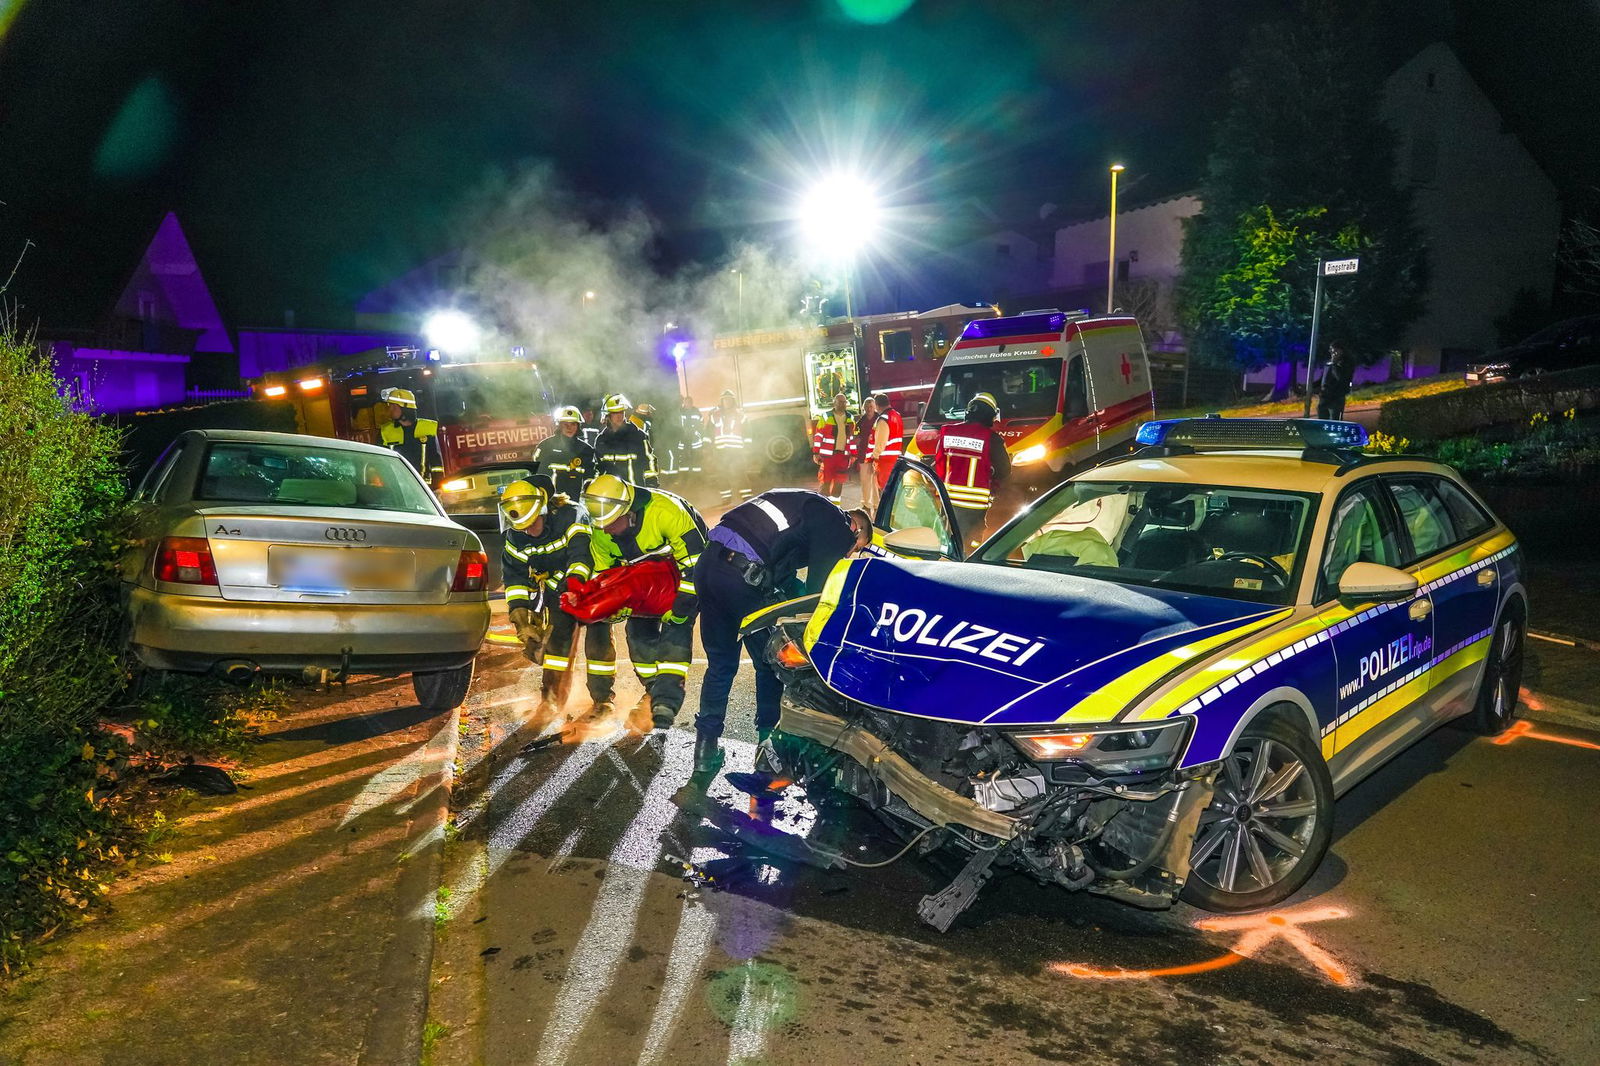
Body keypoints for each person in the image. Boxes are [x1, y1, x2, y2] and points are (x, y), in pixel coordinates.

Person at [693, 491, 873, 773]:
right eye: (856, 548)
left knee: (720, 666)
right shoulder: (839, 527)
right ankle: (768, 754)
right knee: (771, 665)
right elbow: (818, 595)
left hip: (708, 567)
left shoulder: (804, 505)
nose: (850, 553)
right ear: (856, 529)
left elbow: (784, 578)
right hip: (743, 580)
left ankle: (705, 751)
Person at [581, 474, 709, 735]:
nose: (606, 530)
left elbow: (697, 564)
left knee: (676, 629)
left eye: (611, 524)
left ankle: (667, 701)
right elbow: (609, 578)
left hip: (684, 574)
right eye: (601, 525)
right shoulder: (601, 530)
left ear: (629, 513)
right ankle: (652, 692)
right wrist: (617, 603)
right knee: (638, 636)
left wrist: (683, 605)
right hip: (645, 581)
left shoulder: (665, 512)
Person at [499, 477, 615, 724]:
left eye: (532, 523)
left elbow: (581, 557)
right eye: (522, 527)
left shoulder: (572, 515)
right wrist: (521, 618)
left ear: (544, 509)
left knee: (598, 645)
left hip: (592, 589)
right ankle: (551, 702)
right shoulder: (515, 536)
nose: (528, 531)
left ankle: (603, 700)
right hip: (558, 593)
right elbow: (515, 578)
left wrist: (573, 588)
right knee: (556, 649)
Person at [931, 392, 1012, 545]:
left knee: (945, 543)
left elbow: (938, 465)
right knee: (970, 547)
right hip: (974, 506)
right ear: (990, 415)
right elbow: (1005, 471)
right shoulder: (992, 438)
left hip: (947, 502)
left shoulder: (947, 433)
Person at [593, 393, 658, 486]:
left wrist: (651, 482)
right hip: (612, 493)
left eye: (621, 412)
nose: (619, 416)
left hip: (636, 491)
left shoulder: (638, 435)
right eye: (615, 413)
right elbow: (598, 468)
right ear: (607, 416)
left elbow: (649, 460)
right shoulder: (601, 440)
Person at [532, 405, 594, 500]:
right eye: (566, 424)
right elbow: (539, 475)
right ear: (560, 425)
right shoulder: (545, 446)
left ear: (578, 426)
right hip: (552, 501)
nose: (570, 428)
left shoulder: (586, 449)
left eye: (573, 424)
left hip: (578, 502)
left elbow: (590, 475)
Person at [377, 387, 440, 479]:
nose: (390, 409)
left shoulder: (428, 428)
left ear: (404, 408)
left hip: (423, 487)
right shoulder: (385, 431)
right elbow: (380, 463)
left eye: (393, 406)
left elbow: (436, 462)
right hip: (398, 487)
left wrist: (438, 486)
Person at [705, 389, 753, 503]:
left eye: (729, 400)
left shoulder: (740, 414)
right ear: (721, 401)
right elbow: (708, 432)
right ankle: (726, 497)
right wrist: (706, 447)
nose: (727, 402)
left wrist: (747, 447)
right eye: (725, 400)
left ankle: (746, 496)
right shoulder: (715, 415)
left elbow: (748, 431)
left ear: (733, 401)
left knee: (739, 472)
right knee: (721, 474)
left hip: (736, 450)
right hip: (720, 450)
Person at [811, 393, 855, 504]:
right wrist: (816, 453)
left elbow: (851, 438)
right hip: (828, 457)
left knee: (839, 483)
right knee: (825, 482)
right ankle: (824, 506)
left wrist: (854, 454)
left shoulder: (850, 418)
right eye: (840, 402)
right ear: (834, 403)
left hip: (843, 457)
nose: (843, 404)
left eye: (844, 402)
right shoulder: (826, 417)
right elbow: (818, 435)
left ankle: (836, 508)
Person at [870, 391, 905, 494]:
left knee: (885, 491)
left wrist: (874, 456)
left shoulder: (883, 419)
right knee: (896, 490)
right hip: (896, 458)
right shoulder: (896, 415)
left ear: (876, 405)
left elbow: (881, 442)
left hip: (885, 461)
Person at [852, 394, 881, 512]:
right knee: (865, 480)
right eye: (867, 406)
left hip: (876, 455)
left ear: (874, 407)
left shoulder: (880, 420)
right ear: (864, 408)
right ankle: (866, 503)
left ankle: (876, 503)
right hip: (863, 455)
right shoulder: (860, 422)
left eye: (871, 406)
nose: (869, 408)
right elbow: (855, 436)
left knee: (875, 482)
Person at [1318, 341, 1356, 420]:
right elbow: (1324, 378)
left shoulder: (1346, 363)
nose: (1332, 352)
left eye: (1334, 350)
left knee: (1334, 420)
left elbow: (1340, 378)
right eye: (1331, 350)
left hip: (1336, 397)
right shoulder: (1330, 362)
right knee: (1322, 420)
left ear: (1341, 350)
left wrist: (1334, 364)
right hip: (1325, 396)